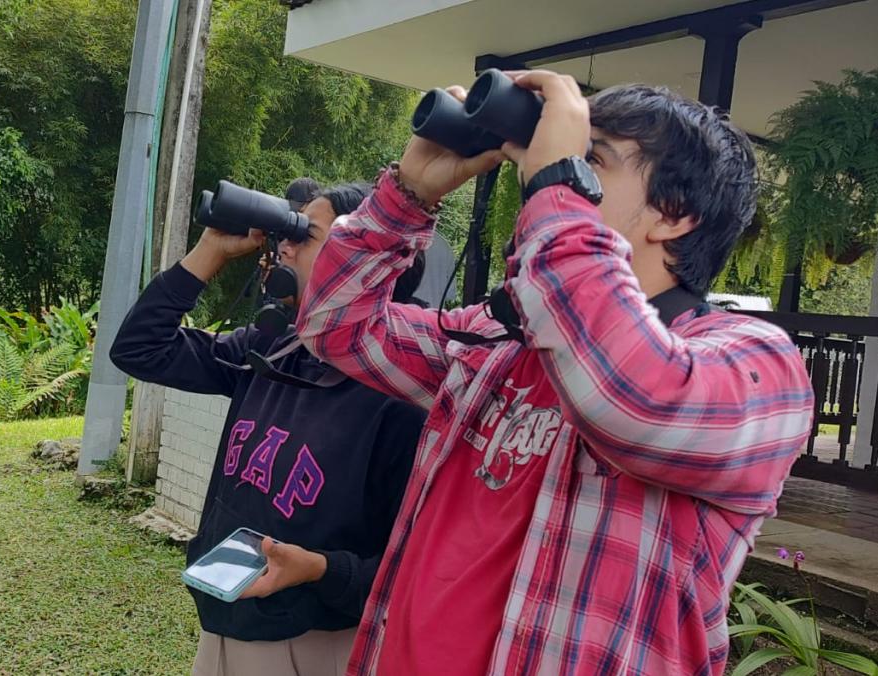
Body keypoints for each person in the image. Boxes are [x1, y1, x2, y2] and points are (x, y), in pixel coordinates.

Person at [296, 72, 814, 675]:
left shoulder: (757, 365)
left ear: (673, 215)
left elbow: (633, 401)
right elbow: (336, 324)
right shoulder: (496, 342)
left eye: (590, 159)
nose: (548, 170)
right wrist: (406, 196)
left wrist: (557, 186)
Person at [111, 183, 428, 676]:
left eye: (308, 234)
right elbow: (139, 349)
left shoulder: (402, 399)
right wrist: (211, 249)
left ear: (365, 260)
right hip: (223, 620)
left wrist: (320, 570)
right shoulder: (272, 349)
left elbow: (412, 572)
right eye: (290, 231)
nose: (286, 245)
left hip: (314, 643)